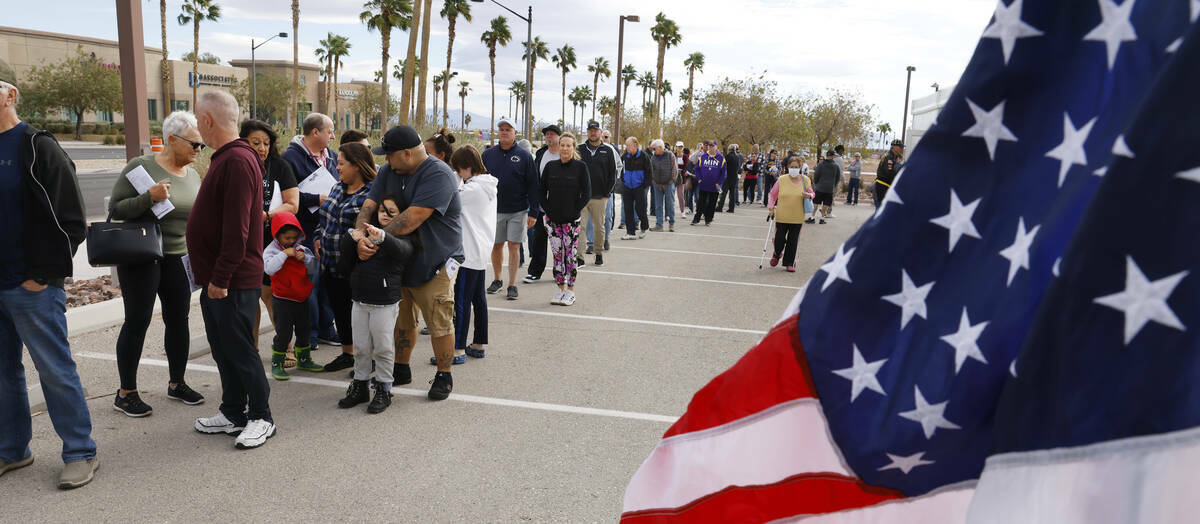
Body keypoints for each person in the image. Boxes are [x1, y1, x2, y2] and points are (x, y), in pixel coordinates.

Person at [0, 62, 98, 488]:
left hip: (31, 287)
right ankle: (12, 451)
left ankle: (80, 453)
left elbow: (72, 220)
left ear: (10, 95)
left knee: (54, 370)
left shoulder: (37, 145)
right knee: (3, 374)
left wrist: (43, 275)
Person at [188, 90, 274, 449]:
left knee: (239, 348)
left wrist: (221, 278)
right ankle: (233, 410)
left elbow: (238, 229)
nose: (197, 129)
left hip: (232, 280)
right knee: (223, 347)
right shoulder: (228, 158)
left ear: (207, 120)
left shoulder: (237, 160)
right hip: (217, 279)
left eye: (197, 120)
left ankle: (261, 417)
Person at [108, 110, 205, 416]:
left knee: (179, 320)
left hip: (177, 255)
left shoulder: (193, 175)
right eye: (194, 143)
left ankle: (177, 383)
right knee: (138, 321)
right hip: (142, 256)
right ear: (172, 139)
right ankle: (126, 392)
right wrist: (148, 197)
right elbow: (116, 209)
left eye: (202, 145)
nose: (199, 149)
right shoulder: (141, 167)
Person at [359, 125, 464, 401]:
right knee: (402, 319)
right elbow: (370, 205)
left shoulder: (439, 174)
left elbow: (413, 218)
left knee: (439, 320)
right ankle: (401, 367)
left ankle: (444, 374)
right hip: (399, 259)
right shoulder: (388, 172)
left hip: (435, 260)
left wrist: (377, 238)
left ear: (406, 153)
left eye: (389, 155)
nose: (385, 161)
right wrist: (360, 235)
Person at [336, 196, 415, 413]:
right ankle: (360, 385)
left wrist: (383, 238)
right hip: (359, 299)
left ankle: (384, 388)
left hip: (384, 303)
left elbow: (403, 251)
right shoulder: (367, 235)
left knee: (382, 348)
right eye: (382, 210)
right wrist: (351, 238)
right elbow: (344, 265)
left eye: (392, 211)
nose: (385, 215)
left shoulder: (402, 238)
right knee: (360, 347)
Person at [313, 142, 376, 373]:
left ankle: (368, 359)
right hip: (330, 264)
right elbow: (324, 220)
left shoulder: (370, 195)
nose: (336, 168)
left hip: (356, 268)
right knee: (340, 311)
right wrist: (318, 237)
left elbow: (372, 230)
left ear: (357, 166)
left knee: (361, 316)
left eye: (341, 163)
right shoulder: (337, 188)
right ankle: (347, 354)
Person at [241, 120, 299, 366]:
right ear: (243, 142)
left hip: (271, 243)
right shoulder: (237, 166)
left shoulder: (280, 166)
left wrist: (266, 215)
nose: (262, 148)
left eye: (266, 143)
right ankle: (251, 350)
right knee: (249, 297)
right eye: (256, 143)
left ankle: (287, 347)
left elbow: (293, 204)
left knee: (270, 296)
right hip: (243, 242)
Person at [283, 113, 340, 347]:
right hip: (304, 233)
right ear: (315, 132)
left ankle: (327, 328)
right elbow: (288, 195)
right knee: (310, 283)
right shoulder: (290, 159)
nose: (333, 135)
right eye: (329, 131)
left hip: (328, 231)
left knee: (328, 283)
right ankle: (310, 334)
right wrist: (317, 198)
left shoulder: (333, 157)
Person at [481, 118, 538, 301]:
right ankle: (497, 279)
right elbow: (479, 180)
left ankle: (512, 284)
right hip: (494, 210)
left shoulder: (524, 156)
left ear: (515, 133)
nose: (504, 132)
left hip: (518, 210)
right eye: (501, 129)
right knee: (496, 246)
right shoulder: (488, 155)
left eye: (508, 129)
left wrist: (533, 212)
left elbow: (533, 185)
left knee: (514, 245)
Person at [449, 146, 497, 361]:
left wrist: (453, 178)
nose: (458, 174)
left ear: (468, 167)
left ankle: (458, 349)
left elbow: (449, 197)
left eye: (459, 170)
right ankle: (478, 343)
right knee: (478, 299)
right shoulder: (486, 185)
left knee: (461, 301)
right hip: (480, 251)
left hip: (468, 252)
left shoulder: (472, 190)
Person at [263, 211, 321, 380]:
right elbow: (269, 269)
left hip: (301, 297)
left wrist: (306, 259)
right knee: (284, 333)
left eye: (294, 237)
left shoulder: (301, 248)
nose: (291, 241)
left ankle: (304, 358)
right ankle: (278, 363)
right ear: (277, 235)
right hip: (282, 299)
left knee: (304, 330)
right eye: (287, 238)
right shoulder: (271, 251)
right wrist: (284, 254)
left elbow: (312, 269)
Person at [540, 133, 591, 306]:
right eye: (562, 145)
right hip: (553, 220)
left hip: (571, 221)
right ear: (559, 146)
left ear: (574, 148)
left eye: (569, 145)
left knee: (570, 256)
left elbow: (587, 194)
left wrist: (575, 210)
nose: (565, 148)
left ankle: (571, 290)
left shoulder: (581, 167)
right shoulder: (550, 166)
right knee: (557, 255)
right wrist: (548, 209)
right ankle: (560, 289)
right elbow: (541, 191)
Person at [525, 124, 562, 281]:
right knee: (539, 239)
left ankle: (559, 272)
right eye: (547, 134)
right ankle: (535, 271)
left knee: (558, 241)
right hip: (541, 205)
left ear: (559, 137)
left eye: (552, 134)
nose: (549, 137)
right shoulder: (541, 153)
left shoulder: (564, 153)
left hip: (560, 206)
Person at [578, 121, 616, 265]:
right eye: (590, 130)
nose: (593, 133)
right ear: (587, 132)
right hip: (581, 196)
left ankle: (598, 253)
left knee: (599, 227)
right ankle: (580, 257)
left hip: (600, 196)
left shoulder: (608, 150)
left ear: (600, 132)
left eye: (595, 130)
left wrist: (607, 193)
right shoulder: (580, 149)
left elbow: (613, 173)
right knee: (580, 227)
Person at [767, 157, 815, 272]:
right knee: (779, 239)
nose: (794, 169)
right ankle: (777, 253)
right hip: (782, 216)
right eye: (792, 167)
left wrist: (809, 196)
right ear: (788, 167)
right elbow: (772, 195)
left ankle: (790, 262)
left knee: (793, 241)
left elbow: (812, 193)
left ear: (800, 168)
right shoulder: (782, 179)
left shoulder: (805, 180)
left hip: (797, 217)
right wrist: (771, 208)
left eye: (796, 167)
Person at [620, 137, 652, 240]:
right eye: (626, 145)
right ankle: (631, 232)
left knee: (640, 209)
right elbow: (621, 170)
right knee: (628, 209)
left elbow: (649, 172)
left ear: (635, 145)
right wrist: (623, 180)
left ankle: (644, 227)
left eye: (628, 145)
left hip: (639, 187)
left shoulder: (644, 156)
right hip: (627, 187)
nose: (626, 148)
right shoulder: (624, 156)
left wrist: (644, 185)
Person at [691, 141, 726, 226]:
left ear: (716, 147)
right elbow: (697, 169)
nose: (710, 148)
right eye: (709, 146)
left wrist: (719, 182)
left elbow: (724, 173)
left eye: (712, 146)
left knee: (712, 203)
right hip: (704, 184)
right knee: (701, 203)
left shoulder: (721, 158)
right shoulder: (703, 157)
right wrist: (699, 179)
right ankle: (696, 219)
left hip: (715, 186)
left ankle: (708, 220)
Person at [648, 139, 677, 232]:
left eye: (654, 148)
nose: (653, 150)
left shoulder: (670, 155)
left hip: (669, 184)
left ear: (661, 148)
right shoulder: (653, 157)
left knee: (670, 204)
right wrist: (654, 181)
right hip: (657, 184)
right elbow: (651, 170)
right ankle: (659, 225)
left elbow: (674, 170)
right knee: (658, 206)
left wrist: (670, 181)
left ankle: (671, 224)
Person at [808, 150, 841, 225]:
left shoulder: (820, 165)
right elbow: (837, 177)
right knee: (826, 204)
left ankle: (812, 217)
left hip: (820, 187)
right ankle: (822, 219)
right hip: (830, 188)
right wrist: (834, 185)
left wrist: (816, 183)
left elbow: (816, 175)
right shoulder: (836, 166)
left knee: (815, 202)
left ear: (826, 156)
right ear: (833, 156)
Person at [876, 139, 905, 208]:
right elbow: (889, 172)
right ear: (895, 147)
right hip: (883, 185)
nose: (902, 149)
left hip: (885, 185)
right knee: (882, 209)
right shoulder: (889, 157)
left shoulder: (892, 156)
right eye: (901, 147)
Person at [717, 144, 742, 213]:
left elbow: (723, 166)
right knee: (732, 194)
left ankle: (720, 207)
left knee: (724, 193)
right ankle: (731, 208)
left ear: (729, 150)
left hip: (727, 177)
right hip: (734, 177)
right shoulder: (737, 157)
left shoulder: (727, 156)